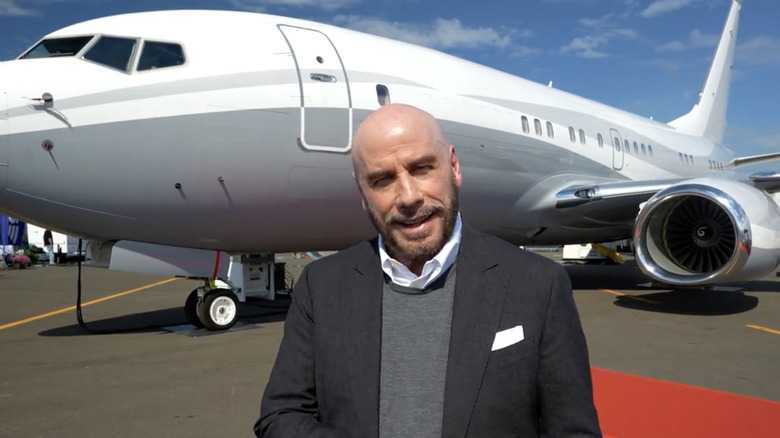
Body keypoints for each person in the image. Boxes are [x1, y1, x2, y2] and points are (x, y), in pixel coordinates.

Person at [256, 104, 601, 437]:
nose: (408, 197)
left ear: (453, 166)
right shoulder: (321, 287)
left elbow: (573, 430)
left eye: (421, 168)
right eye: (382, 180)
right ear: (362, 193)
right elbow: (280, 415)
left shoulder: (539, 285)